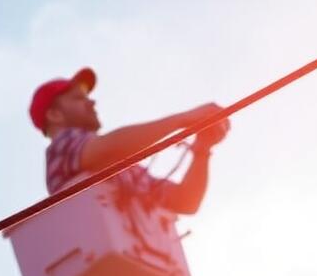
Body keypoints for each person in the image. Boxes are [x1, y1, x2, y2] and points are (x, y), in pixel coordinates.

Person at [29, 67, 228, 215]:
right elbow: (108, 148)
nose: (91, 101)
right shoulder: (61, 147)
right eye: (78, 98)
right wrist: (183, 120)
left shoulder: (124, 168)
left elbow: (186, 201)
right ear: (54, 114)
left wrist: (202, 150)